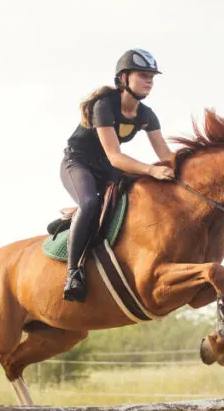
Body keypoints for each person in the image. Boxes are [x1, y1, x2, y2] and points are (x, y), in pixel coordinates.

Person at [59, 48, 176, 302]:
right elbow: (115, 156)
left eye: (152, 77)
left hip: (105, 167)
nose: (149, 81)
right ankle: (73, 273)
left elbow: (166, 154)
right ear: (124, 78)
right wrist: (151, 169)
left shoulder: (147, 115)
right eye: (143, 75)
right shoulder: (104, 105)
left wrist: (186, 170)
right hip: (77, 162)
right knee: (90, 202)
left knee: (137, 196)